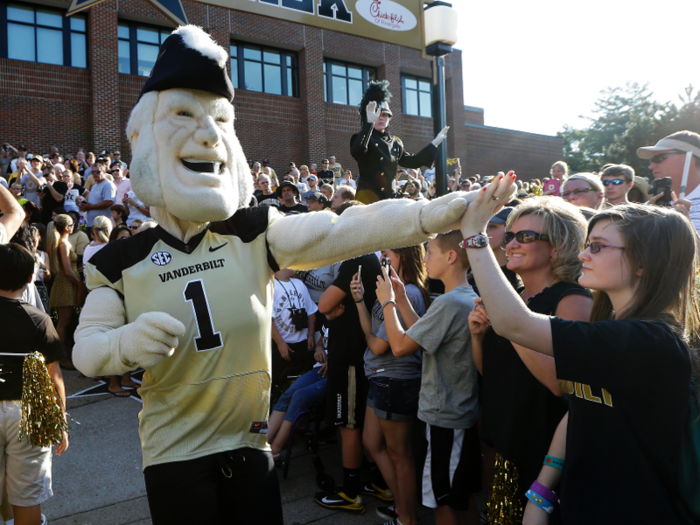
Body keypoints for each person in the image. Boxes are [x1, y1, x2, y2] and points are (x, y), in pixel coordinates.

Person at [71, 24, 486, 525]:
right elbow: (88, 351)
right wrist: (124, 346)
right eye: (183, 114)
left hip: (249, 441)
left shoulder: (254, 231)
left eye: (219, 120)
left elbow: (344, 229)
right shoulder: (118, 261)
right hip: (173, 451)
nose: (206, 134)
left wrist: (441, 212)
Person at [461, 174, 698, 525]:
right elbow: (582, 405)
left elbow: (514, 324)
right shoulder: (614, 329)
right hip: (579, 502)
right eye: (587, 243)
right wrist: (542, 490)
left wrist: (474, 235)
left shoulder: (651, 341)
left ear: (643, 262)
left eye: (598, 246)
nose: (583, 254)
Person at [469, 198, 593, 524]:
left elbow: (559, 383)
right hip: (506, 441)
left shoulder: (573, 298)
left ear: (557, 247)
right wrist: (478, 336)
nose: (510, 244)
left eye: (524, 237)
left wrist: (509, 325)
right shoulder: (516, 297)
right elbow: (492, 372)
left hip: (543, 451)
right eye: (510, 235)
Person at [375, 231, 483, 525]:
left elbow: (399, 346)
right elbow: (424, 333)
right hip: (455, 411)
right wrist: (399, 296)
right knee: (458, 496)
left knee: (442, 501)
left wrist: (387, 302)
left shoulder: (449, 302)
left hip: (445, 415)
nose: (424, 259)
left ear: (450, 257)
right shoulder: (463, 296)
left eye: (430, 252)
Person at [350, 245, 430, 525]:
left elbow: (379, 344)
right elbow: (371, 334)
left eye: (387, 255)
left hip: (395, 381)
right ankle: (403, 506)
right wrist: (359, 301)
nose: (381, 260)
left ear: (404, 256)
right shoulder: (390, 291)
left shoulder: (410, 293)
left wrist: (371, 339)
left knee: (400, 455)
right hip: (380, 378)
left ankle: (407, 517)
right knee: (372, 443)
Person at [313, 201, 384, 515]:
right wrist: (330, 310)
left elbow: (325, 303)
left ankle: (351, 491)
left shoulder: (357, 258)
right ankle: (379, 482)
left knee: (349, 424)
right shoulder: (364, 257)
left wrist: (329, 308)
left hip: (352, 357)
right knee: (355, 423)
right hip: (354, 353)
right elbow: (328, 308)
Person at [0, 243, 69, 525]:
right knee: (26, 497)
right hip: (28, 414)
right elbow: (55, 378)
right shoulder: (39, 320)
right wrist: (60, 421)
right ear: (31, 278)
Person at [352, 80, 448, 203]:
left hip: (390, 199)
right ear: (369, 115)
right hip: (368, 199)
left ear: (389, 119)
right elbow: (358, 151)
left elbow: (413, 161)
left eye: (385, 115)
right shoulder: (361, 137)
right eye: (377, 114)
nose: (381, 117)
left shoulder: (394, 143)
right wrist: (369, 124)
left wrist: (434, 144)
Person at [267, 327, 328, 458]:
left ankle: (274, 450)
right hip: (318, 370)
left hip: (336, 373)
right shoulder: (329, 320)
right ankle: (263, 443)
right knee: (287, 394)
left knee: (299, 396)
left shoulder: (347, 319)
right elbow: (322, 341)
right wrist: (319, 349)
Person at [637, 130, 700, 234]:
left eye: (659, 158)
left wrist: (685, 226)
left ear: (687, 158)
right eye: (651, 160)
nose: (651, 166)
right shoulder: (651, 206)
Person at [270, 267, 317, 384]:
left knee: (303, 379)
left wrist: (311, 335)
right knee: (281, 380)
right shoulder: (271, 286)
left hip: (303, 344)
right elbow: (268, 320)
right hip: (283, 345)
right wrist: (280, 343)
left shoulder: (299, 283)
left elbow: (311, 312)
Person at [47, 214, 80, 356]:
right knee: (64, 322)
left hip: (67, 284)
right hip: (65, 284)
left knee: (65, 321)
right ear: (67, 228)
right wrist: (80, 284)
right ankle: (61, 356)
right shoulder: (64, 244)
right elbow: (68, 271)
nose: (74, 227)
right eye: (72, 225)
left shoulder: (63, 242)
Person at [79, 165, 116, 236]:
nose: (95, 173)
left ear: (104, 172)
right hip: (91, 224)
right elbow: (93, 202)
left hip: (102, 225)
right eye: (93, 172)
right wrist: (85, 206)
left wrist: (91, 207)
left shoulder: (108, 185)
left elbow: (109, 202)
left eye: (98, 171)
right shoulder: (94, 186)